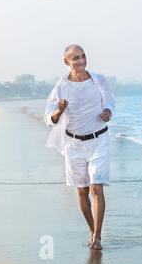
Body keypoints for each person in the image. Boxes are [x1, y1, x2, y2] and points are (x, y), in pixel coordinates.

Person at [44, 44, 115, 250]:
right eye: (75, 58)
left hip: (99, 140)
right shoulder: (61, 86)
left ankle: (98, 237)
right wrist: (59, 111)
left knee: (97, 187)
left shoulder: (99, 80)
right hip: (73, 144)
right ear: (67, 62)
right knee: (82, 191)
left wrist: (108, 112)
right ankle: (92, 229)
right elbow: (49, 117)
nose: (81, 60)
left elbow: (110, 101)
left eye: (83, 56)